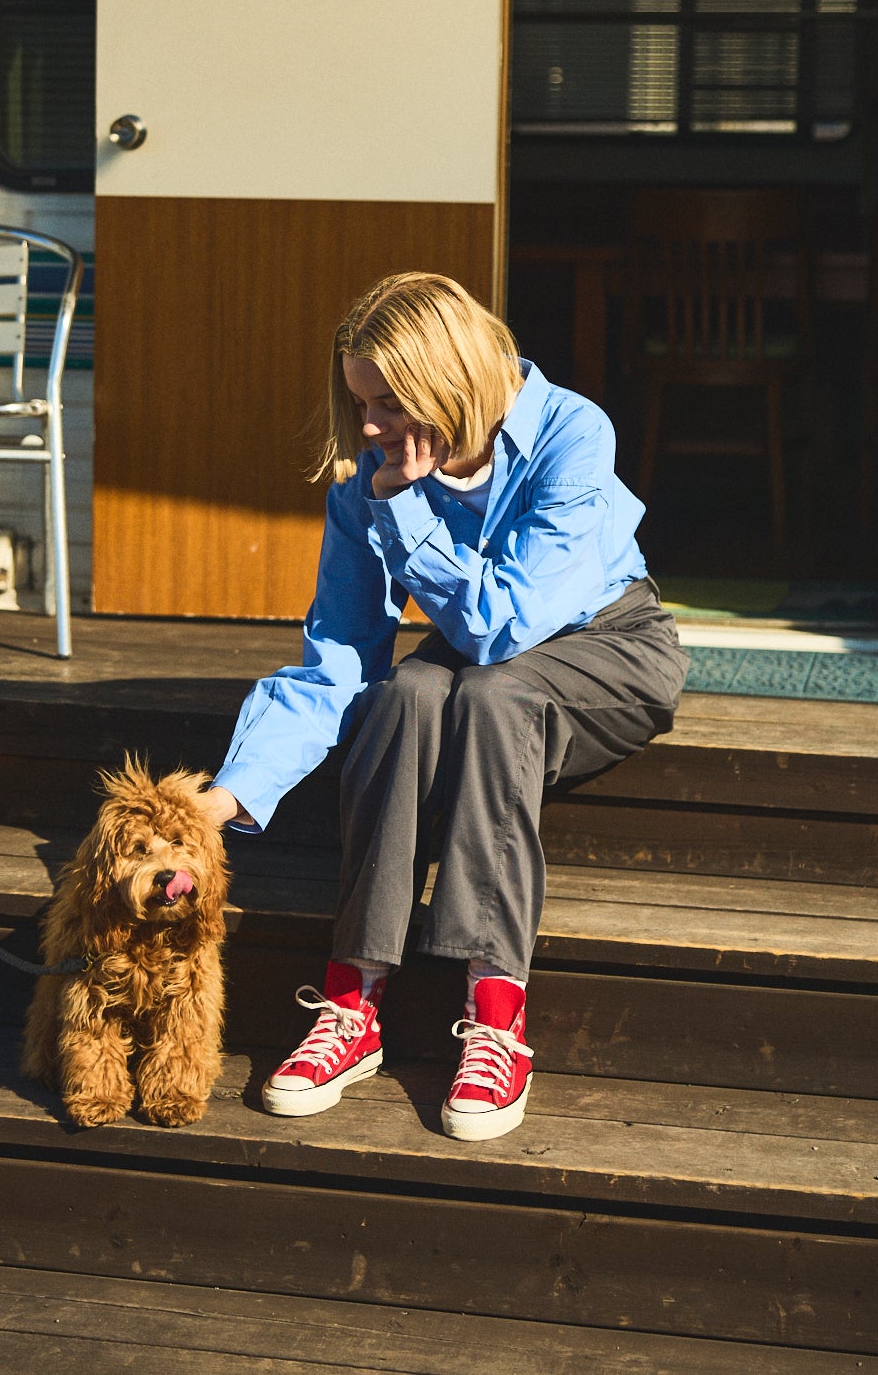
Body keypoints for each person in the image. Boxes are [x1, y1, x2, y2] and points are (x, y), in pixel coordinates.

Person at [199, 272, 688, 1140]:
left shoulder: (571, 432)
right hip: (477, 655)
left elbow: (509, 625)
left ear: (447, 382)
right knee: (402, 696)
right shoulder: (368, 487)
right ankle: (354, 1002)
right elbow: (336, 664)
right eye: (360, 405)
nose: (370, 428)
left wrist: (408, 513)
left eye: (387, 402)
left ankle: (496, 1012)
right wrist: (228, 794)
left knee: (492, 696)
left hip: (608, 643)